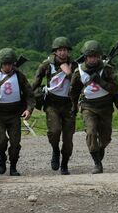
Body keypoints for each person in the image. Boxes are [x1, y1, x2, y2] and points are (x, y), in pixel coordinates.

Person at [69, 40, 118, 174]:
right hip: (88, 106)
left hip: (105, 106)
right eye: (90, 56)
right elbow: (73, 92)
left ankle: (101, 148)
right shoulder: (78, 72)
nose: (92, 59)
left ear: (99, 56)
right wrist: (74, 107)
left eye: (95, 56)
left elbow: (115, 88)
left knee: (106, 137)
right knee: (91, 132)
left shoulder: (107, 69)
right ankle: (97, 163)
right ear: (85, 57)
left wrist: (101, 81)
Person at [0, 48, 34, 176]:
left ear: (13, 64)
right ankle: (2, 156)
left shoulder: (19, 76)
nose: (7, 66)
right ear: (1, 64)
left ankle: (13, 166)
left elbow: (29, 94)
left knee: (15, 143)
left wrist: (28, 109)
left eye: (10, 64)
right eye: (5, 64)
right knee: (1, 142)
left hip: (14, 114)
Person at [31, 37, 77, 175]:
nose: (63, 53)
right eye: (60, 50)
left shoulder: (74, 65)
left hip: (68, 104)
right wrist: (28, 100)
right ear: (55, 52)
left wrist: (69, 73)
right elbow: (35, 83)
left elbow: (81, 83)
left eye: (65, 50)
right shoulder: (46, 65)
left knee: (68, 138)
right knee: (55, 131)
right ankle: (55, 150)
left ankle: (64, 164)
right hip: (52, 103)